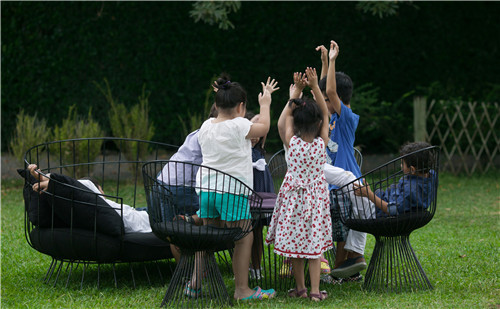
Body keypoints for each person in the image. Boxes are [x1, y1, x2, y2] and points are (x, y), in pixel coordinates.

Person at [187, 76, 278, 301]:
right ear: (241, 107)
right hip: (232, 193)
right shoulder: (239, 125)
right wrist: (265, 103)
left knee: (208, 237)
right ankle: (242, 290)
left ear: (216, 106)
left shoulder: (206, 126)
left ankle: (194, 284)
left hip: (207, 192)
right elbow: (264, 127)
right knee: (244, 237)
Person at [268, 67, 333, 301]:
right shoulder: (321, 144)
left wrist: (295, 94)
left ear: (295, 124)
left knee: (296, 247)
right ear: (317, 125)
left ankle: (300, 289)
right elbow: (326, 115)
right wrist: (315, 87)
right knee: (314, 249)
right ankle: (315, 292)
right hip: (315, 202)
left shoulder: (291, 142)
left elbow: (284, 119)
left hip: (294, 202)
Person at [317, 40, 366, 282]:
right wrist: (325, 63)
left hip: (345, 183)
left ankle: (342, 267)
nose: (323, 104)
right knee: (337, 224)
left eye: (326, 99)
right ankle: (344, 268)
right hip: (331, 183)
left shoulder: (347, 117)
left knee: (340, 223)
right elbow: (326, 90)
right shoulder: (329, 116)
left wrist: (334, 60)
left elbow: (330, 92)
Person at [28, 164, 151, 234]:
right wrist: (43, 178)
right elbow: (67, 184)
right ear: (97, 188)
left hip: (140, 213)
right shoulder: (87, 185)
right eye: (102, 190)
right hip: (146, 217)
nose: (104, 195)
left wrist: (42, 179)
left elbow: (64, 185)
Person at [353, 141, 437, 217]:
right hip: (387, 197)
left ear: (412, 169)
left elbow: (392, 210)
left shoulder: (410, 190)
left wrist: (369, 194)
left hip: (380, 211)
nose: (401, 166)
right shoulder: (432, 175)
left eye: (402, 163)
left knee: (352, 193)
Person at [245, 112, 274, 281]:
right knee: (243, 230)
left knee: (257, 230)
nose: (254, 137)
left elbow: (263, 123)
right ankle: (244, 265)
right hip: (246, 189)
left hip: (260, 188)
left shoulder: (259, 150)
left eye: (257, 133)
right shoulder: (240, 147)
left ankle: (256, 267)